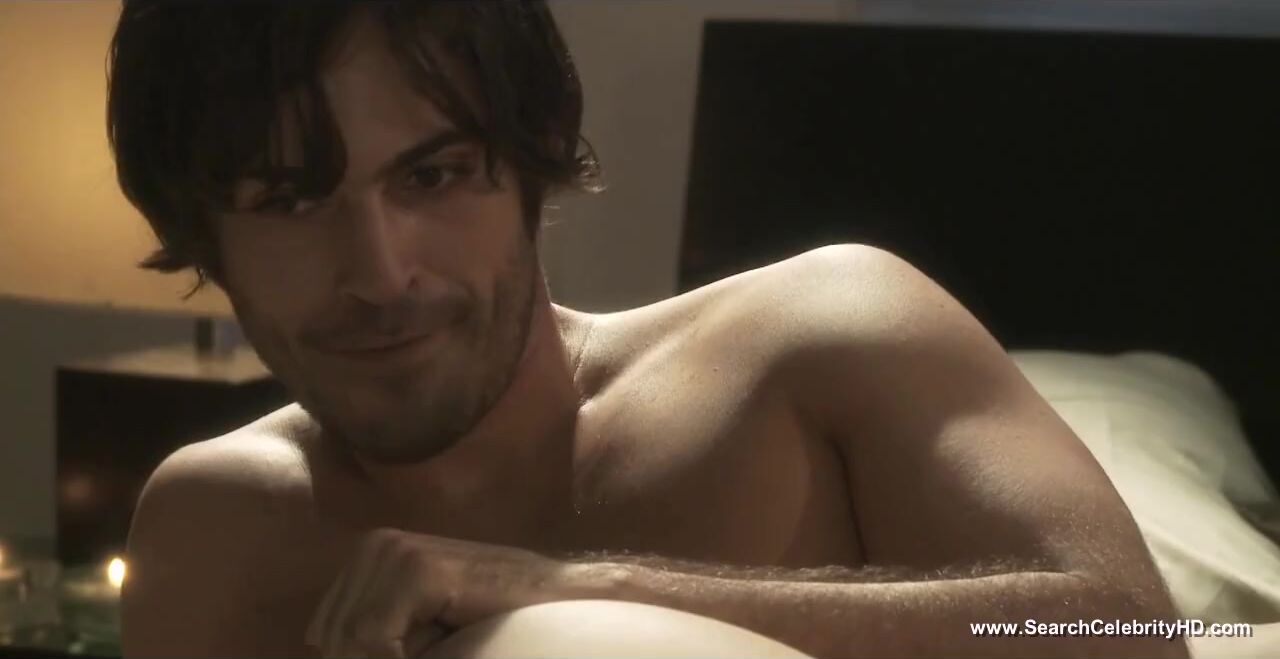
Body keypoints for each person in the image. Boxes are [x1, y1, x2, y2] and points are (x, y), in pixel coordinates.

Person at [105, 2, 1187, 658]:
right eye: (290, 201)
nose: (382, 274)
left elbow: (1137, 632)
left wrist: (581, 588)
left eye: (433, 175)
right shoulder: (215, 528)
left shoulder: (820, 341)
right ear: (204, 237)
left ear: (530, 167)